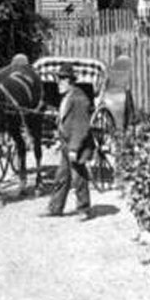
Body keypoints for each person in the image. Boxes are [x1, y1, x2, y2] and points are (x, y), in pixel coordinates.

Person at [46, 65, 94, 218]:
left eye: (61, 79)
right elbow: (66, 122)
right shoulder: (67, 96)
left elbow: (81, 126)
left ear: (69, 80)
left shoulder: (79, 98)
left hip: (78, 145)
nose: (58, 82)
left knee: (78, 176)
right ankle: (55, 208)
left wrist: (74, 148)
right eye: (58, 79)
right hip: (68, 144)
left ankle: (83, 209)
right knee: (62, 176)